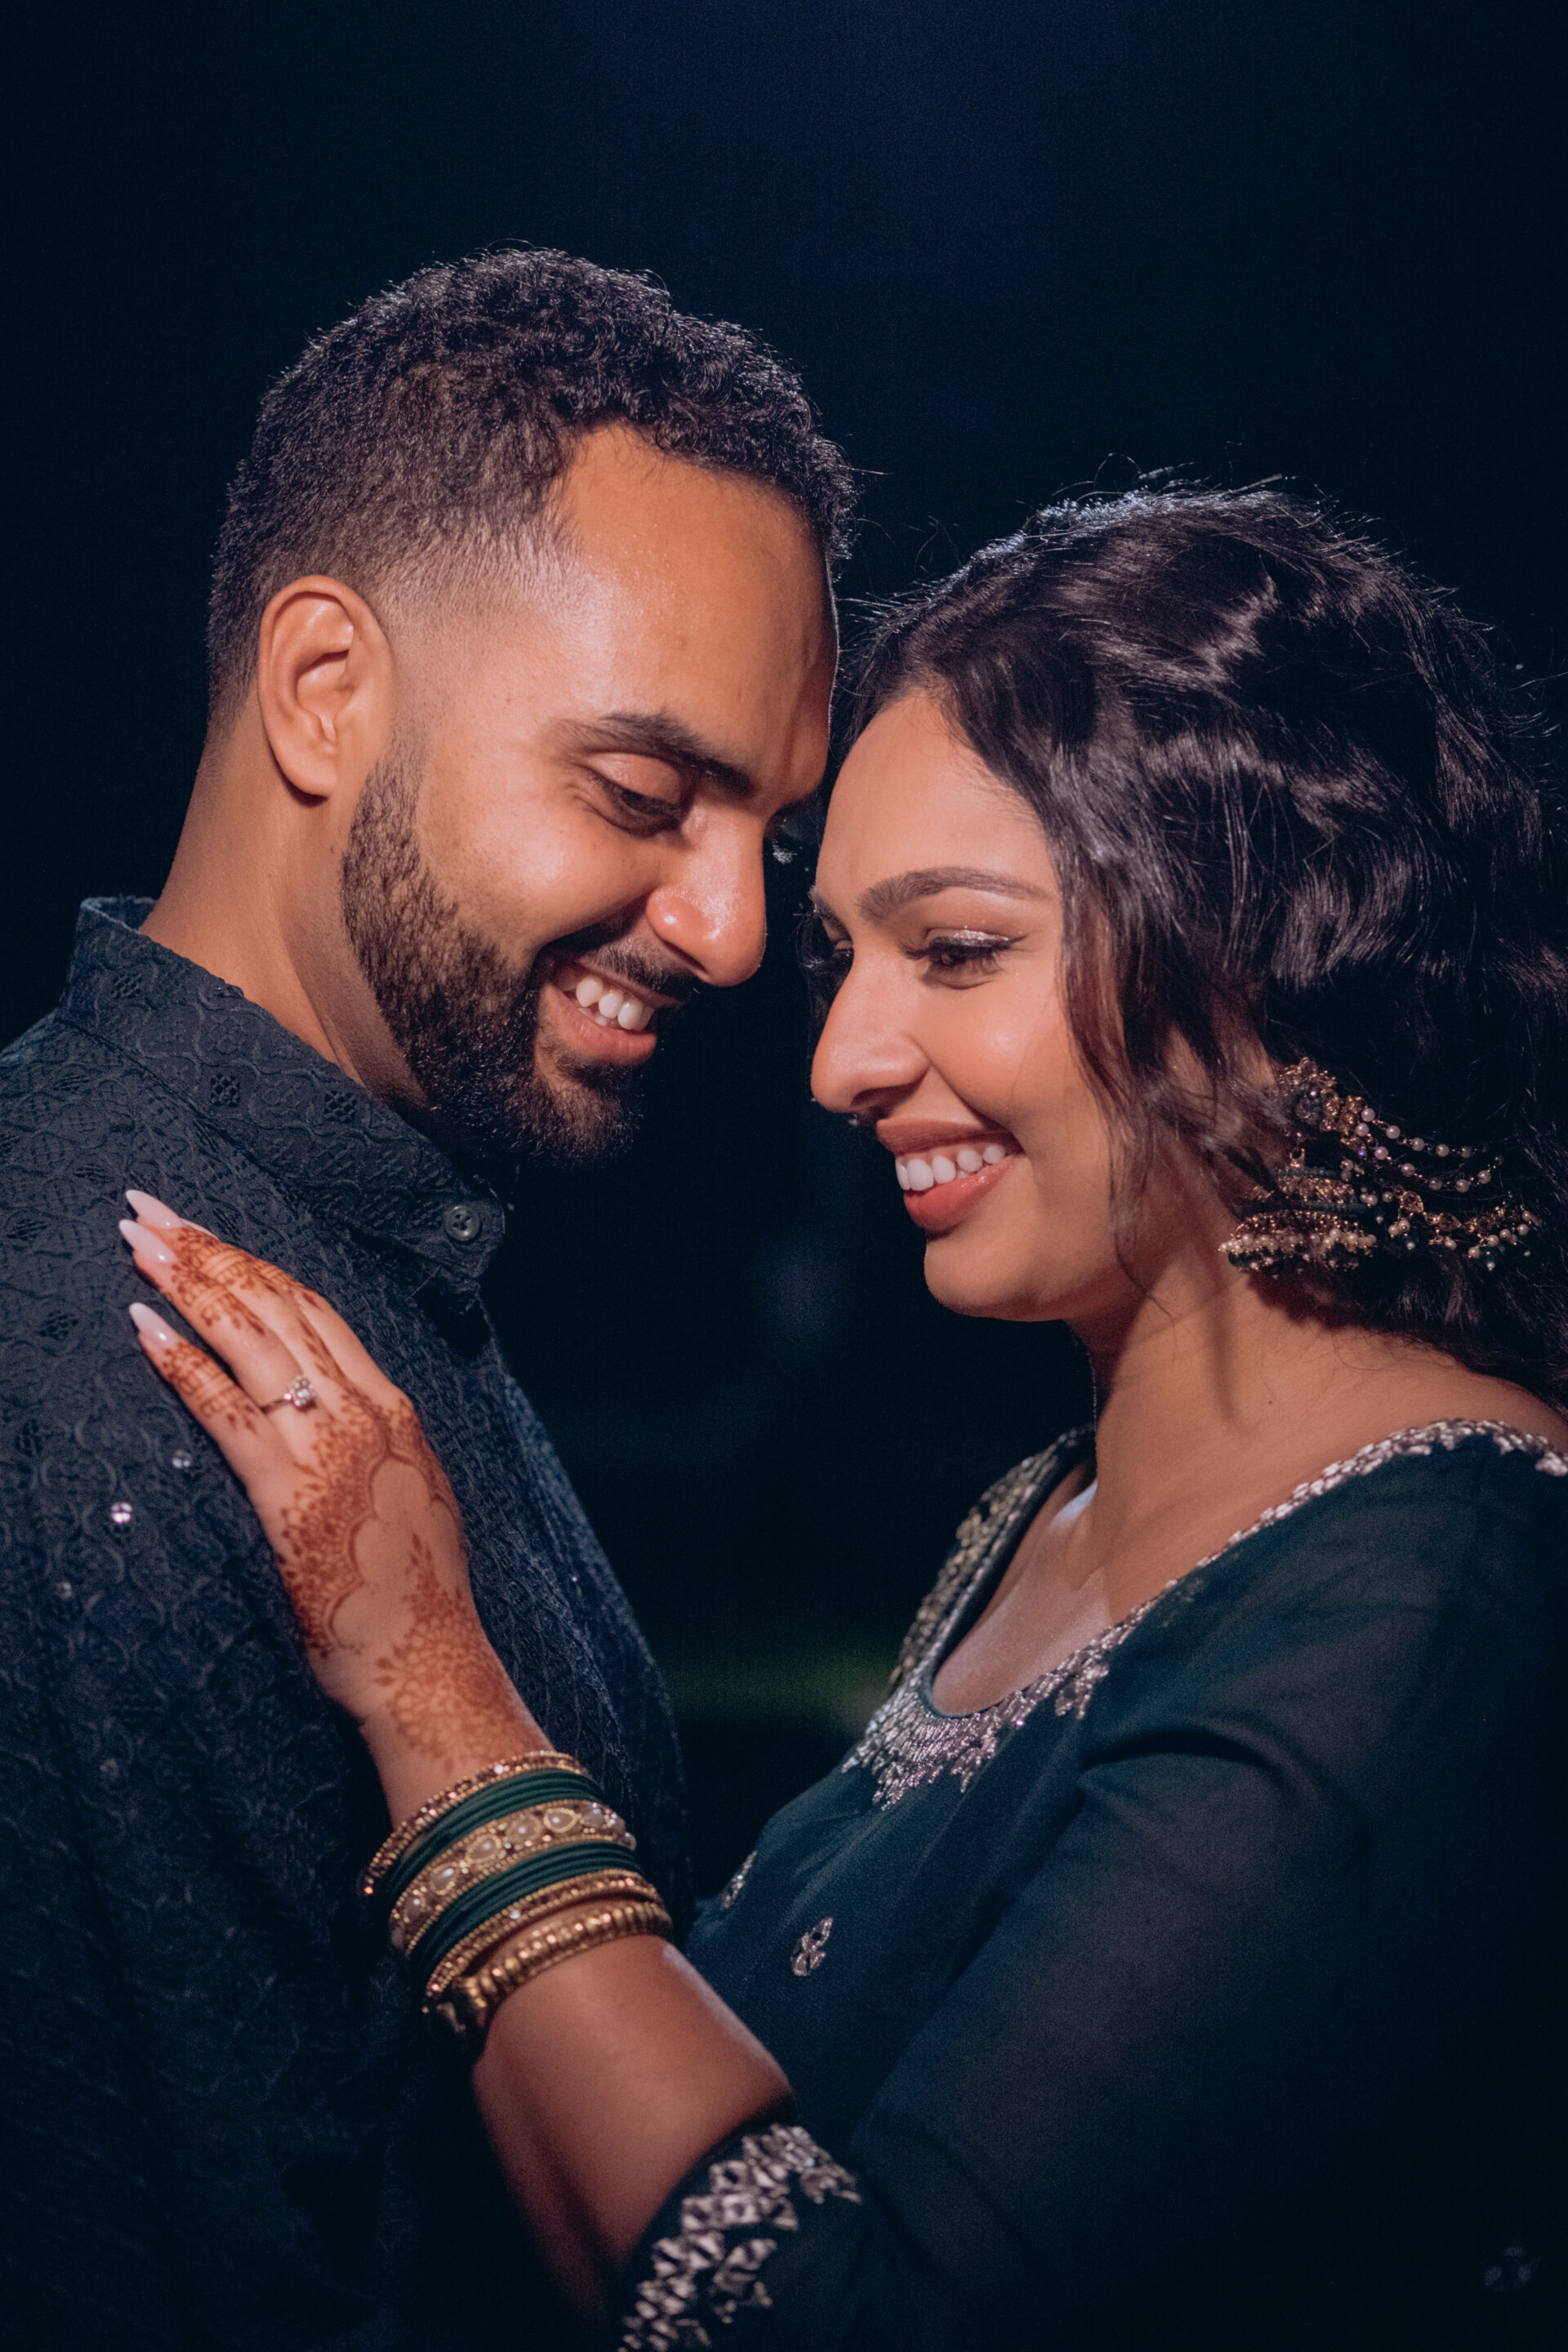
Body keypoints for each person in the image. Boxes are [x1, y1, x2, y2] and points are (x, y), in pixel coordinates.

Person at [120, 489, 1567, 2349]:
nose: (840, 1062)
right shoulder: (1053, 1505)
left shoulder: (1444, 1597)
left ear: (1266, 958)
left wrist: (435, 1701)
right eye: (843, 963)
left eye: (954, 951)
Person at [0, 248, 850, 2347]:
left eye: (768, 834)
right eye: (641, 797)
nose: (736, 934)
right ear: (322, 689)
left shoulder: (359, 1238)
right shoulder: (97, 1352)